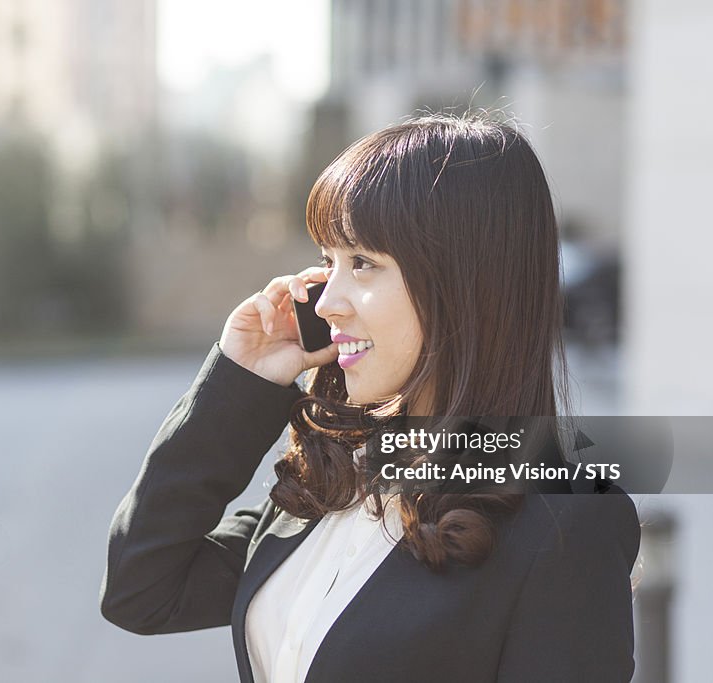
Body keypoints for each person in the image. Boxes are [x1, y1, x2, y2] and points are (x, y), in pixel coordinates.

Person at [100, 111, 641, 682]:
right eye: (326, 262)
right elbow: (142, 587)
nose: (327, 301)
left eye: (363, 263)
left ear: (463, 284)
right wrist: (241, 379)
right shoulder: (345, 474)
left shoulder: (567, 520)